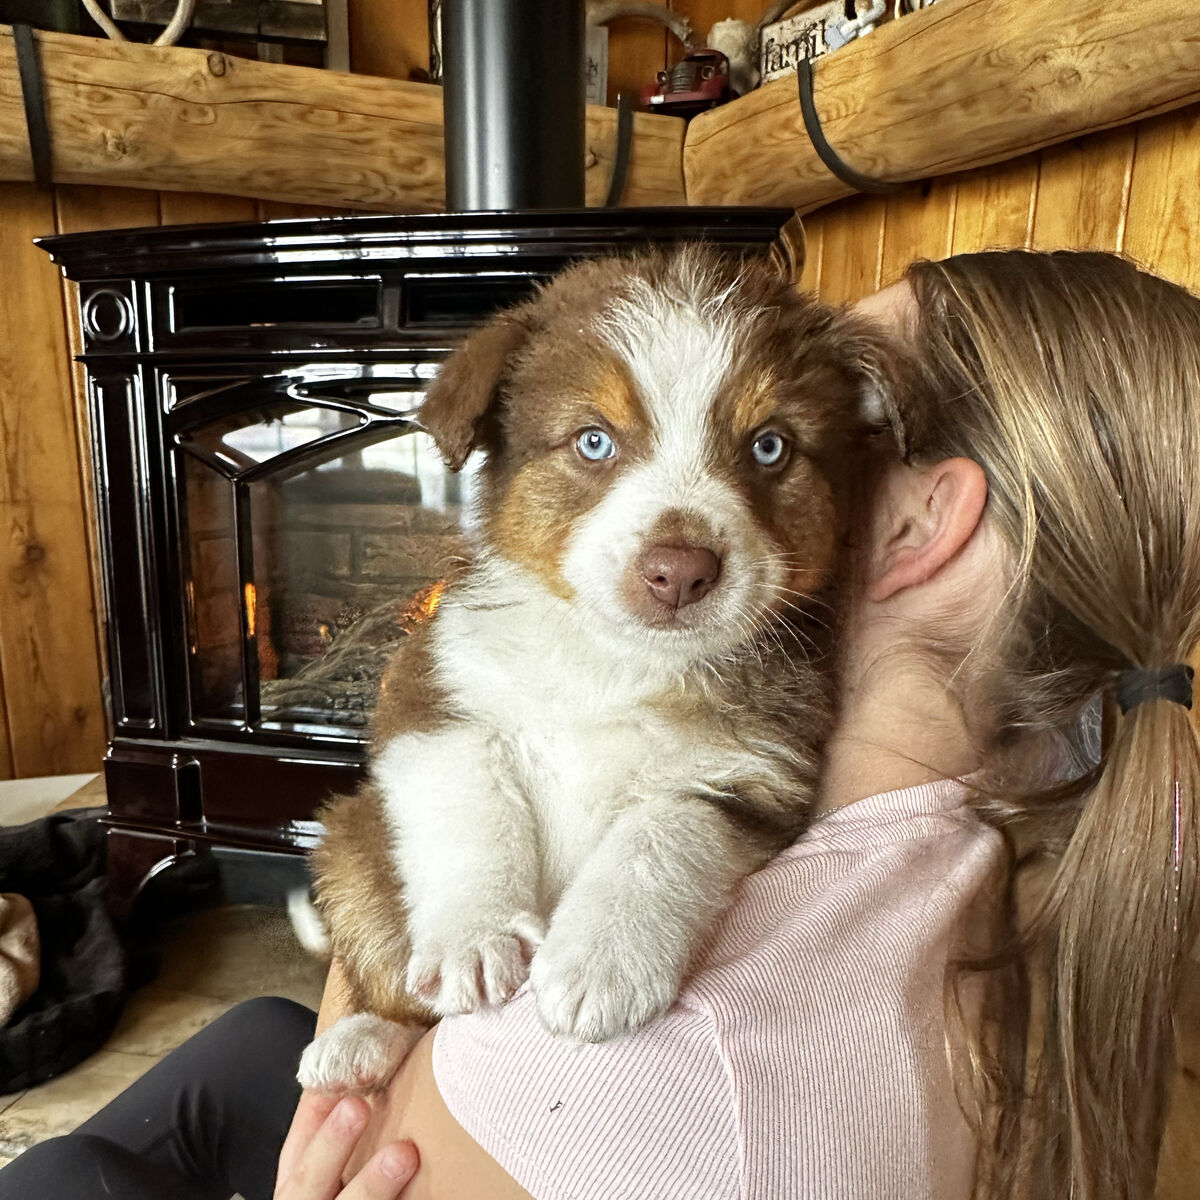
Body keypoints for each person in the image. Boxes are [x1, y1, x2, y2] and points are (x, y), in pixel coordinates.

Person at [1, 248, 1195, 1200]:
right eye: (598, 443)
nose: (679, 539)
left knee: (60, 1176)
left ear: (922, 520)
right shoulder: (1066, 769)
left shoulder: (653, 1064)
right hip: (455, 1032)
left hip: (490, 1106)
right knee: (248, 1036)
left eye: (781, 443)